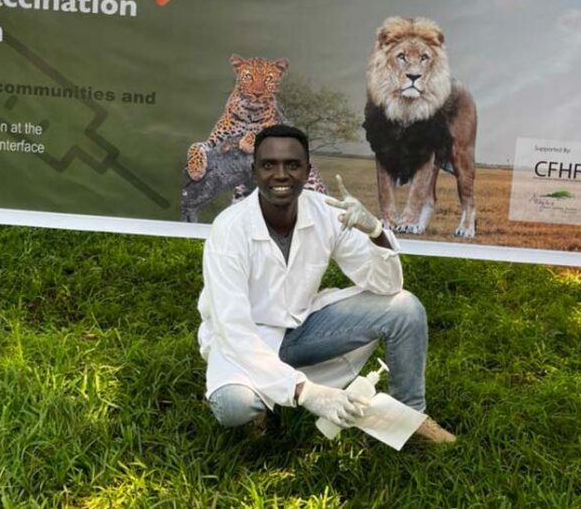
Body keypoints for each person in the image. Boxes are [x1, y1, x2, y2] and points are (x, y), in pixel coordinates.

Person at [196, 124, 457, 444]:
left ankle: (408, 417)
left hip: (302, 329)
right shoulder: (229, 230)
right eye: (269, 165)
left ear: (307, 171)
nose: (281, 174)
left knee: (405, 308)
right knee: (233, 405)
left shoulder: (326, 212)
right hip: (244, 340)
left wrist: (375, 232)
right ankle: (268, 404)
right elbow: (233, 330)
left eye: (292, 165)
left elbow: (387, 285)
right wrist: (309, 393)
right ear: (254, 171)